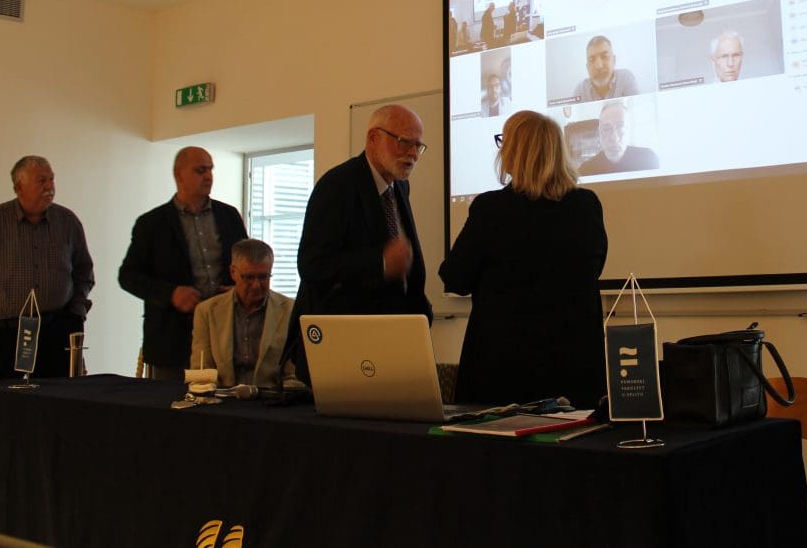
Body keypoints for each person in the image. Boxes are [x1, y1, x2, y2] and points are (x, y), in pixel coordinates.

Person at [0, 155, 95, 526]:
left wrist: (76, 313)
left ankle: (52, 496)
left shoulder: (67, 222)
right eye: (41, 180)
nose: (50, 186)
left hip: (54, 333)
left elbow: (84, 273)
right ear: (18, 187)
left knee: (56, 415)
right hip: (1, 337)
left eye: (51, 179)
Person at [440, 111, 607, 407]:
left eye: (503, 142)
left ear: (515, 152)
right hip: (573, 371)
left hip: (502, 373)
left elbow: (456, 277)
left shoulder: (490, 209)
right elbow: (593, 269)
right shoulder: (587, 205)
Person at [287, 104, 432, 384]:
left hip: (392, 340)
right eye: (404, 142)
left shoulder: (400, 187)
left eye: (418, 146)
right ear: (373, 138)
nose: (413, 154)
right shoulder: (337, 185)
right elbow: (313, 264)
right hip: (344, 344)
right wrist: (380, 262)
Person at [118, 146, 247, 381]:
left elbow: (245, 262)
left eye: (210, 170)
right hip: (172, 339)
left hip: (225, 335)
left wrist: (238, 286)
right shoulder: (152, 223)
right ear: (179, 174)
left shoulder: (229, 216)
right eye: (200, 170)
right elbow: (128, 276)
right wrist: (171, 294)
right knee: (169, 402)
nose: (208, 176)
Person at [190, 239, 296, 388]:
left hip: (272, 397)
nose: (256, 285)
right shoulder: (206, 311)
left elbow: (294, 374)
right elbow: (202, 371)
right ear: (233, 272)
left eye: (263, 277)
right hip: (223, 397)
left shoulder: (290, 310)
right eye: (249, 277)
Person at [578, 101, 660, 175]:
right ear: (599, 132)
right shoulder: (585, 170)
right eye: (606, 129)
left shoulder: (649, 159)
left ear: (629, 131)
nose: (614, 138)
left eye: (621, 128)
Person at [572, 35, 639, 101]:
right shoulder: (580, 90)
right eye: (592, 60)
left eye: (604, 56)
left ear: (614, 60)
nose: (599, 66)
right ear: (587, 67)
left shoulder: (626, 78)